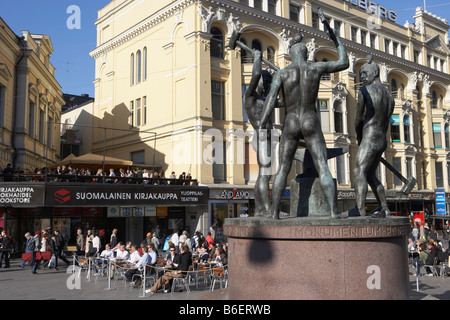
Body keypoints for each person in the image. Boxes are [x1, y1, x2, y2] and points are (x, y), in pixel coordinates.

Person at [260, 12, 348, 219]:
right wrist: (334, 37)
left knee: (283, 168)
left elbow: (270, 101)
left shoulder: (282, 73)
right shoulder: (315, 68)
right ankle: (334, 212)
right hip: (310, 119)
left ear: (291, 54)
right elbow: (344, 62)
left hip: (290, 121)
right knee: (323, 166)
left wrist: (263, 123)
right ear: (306, 54)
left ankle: (274, 213)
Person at [353, 56, 394, 218]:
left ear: (375, 72)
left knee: (359, 171)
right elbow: (387, 121)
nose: (361, 77)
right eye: (360, 74)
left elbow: (358, 118)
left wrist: (359, 136)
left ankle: (360, 209)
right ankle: (385, 207)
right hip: (381, 138)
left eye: (364, 73)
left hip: (369, 135)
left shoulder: (364, 91)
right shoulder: (390, 97)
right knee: (370, 175)